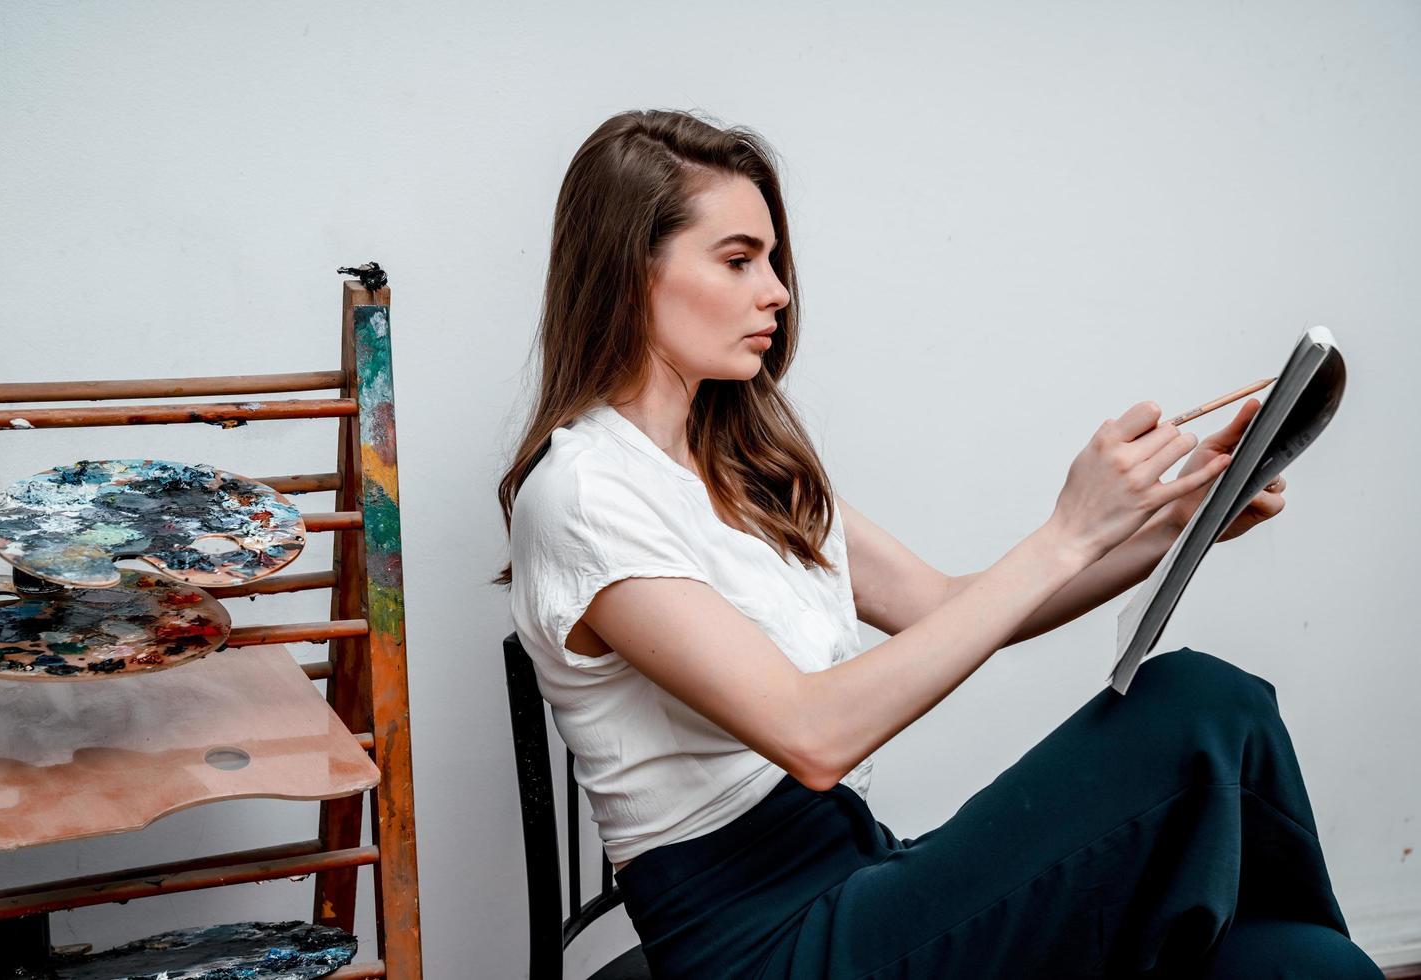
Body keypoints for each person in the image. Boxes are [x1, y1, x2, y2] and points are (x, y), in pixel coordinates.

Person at [494, 109, 1381, 979]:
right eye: (738, 260)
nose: (778, 290)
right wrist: (1067, 532)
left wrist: (1180, 522)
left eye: (772, 259)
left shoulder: (744, 464)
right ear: (628, 274)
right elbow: (812, 734)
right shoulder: (581, 495)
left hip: (860, 874)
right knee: (1201, 700)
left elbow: (944, 608)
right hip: (765, 944)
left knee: (1311, 962)